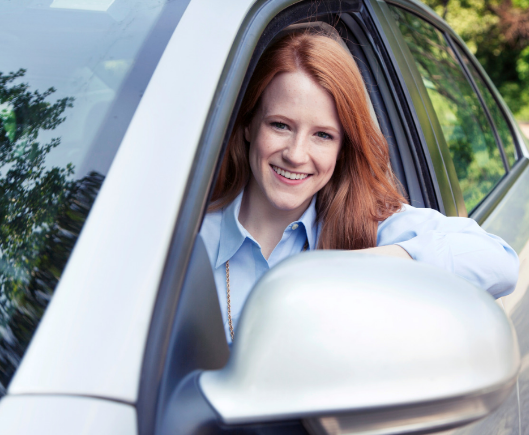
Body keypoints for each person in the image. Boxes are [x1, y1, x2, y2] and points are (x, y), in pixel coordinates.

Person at [199, 28, 519, 344]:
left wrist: (350, 267)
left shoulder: (365, 224)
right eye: (280, 125)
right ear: (248, 125)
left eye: (323, 135)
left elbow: (499, 260)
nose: (296, 155)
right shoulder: (187, 231)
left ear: (343, 148)